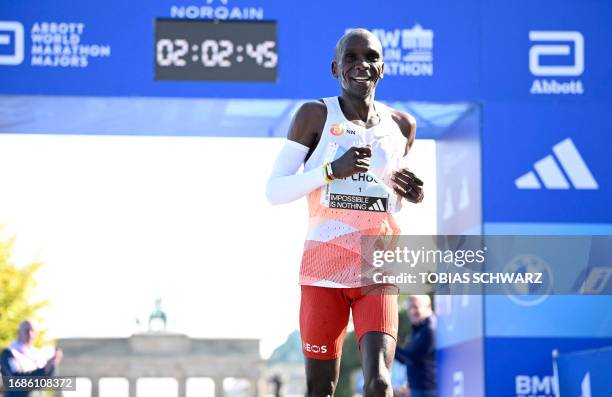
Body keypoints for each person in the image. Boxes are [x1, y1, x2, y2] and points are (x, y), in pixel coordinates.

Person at [266, 28, 424, 397]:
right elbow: (274, 190)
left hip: (377, 265)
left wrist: (413, 193)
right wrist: (330, 170)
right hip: (324, 268)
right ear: (335, 67)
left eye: (370, 57)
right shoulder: (314, 114)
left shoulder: (402, 126)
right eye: (351, 58)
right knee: (321, 387)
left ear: (382, 67)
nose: (361, 65)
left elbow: (390, 191)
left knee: (380, 382)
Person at [0, 320, 63, 397]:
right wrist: (44, 370)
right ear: (19, 332)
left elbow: (46, 381)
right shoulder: (8, 353)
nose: (30, 333)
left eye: (32, 330)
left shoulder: (38, 355)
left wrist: (52, 366)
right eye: (26, 330)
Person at [394, 295, 436, 397]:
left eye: (416, 307)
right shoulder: (418, 329)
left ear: (428, 306)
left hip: (427, 390)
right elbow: (406, 359)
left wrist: (390, 345)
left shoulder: (430, 328)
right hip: (419, 389)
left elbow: (412, 358)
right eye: (409, 308)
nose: (412, 312)